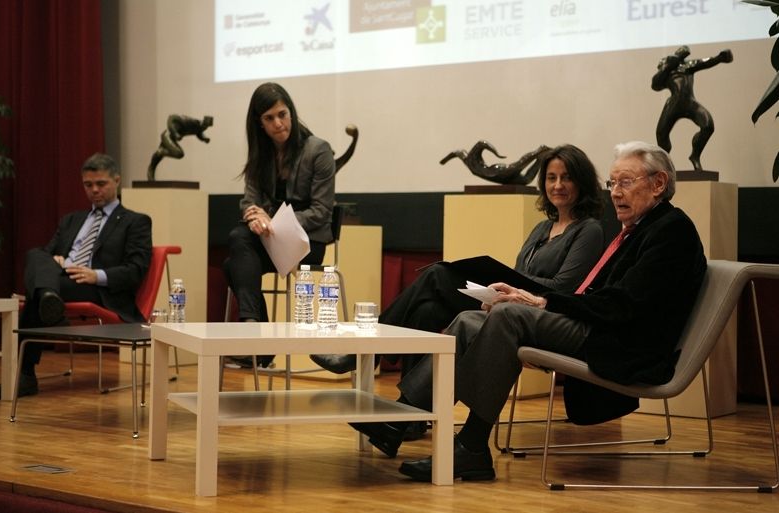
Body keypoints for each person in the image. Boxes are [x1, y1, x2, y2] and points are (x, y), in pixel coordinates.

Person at [380, 141, 706, 482]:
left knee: (508, 315)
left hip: (621, 342)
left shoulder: (671, 230)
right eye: (612, 184)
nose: (615, 193)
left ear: (658, 184)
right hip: (599, 326)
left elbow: (621, 305)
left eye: (625, 182)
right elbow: (602, 297)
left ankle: (471, 444)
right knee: (469, 318)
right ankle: (400, 417)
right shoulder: (640, 229)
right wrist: (530, 298)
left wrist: (541, 302)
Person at [313, 143, 605, 442]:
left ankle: (366, 353)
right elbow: (520, 272)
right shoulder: (542, 228)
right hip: (508, 303)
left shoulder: (588, 229)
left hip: (540, 315)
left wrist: (508, 283)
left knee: (438, 274)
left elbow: (562, 288)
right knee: (426, 310)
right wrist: (502, 285)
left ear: (581, 181)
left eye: (566, 177)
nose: (557, 185)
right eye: (551, 177)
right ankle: (409, 420)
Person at [0, 153, 153, 399]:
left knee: (37, 292)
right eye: (88, 185)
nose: (94, 190)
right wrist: (55, 260)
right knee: (36, 255)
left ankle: (25, 374)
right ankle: (48, 299)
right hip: (61, 280)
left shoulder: (135, 221)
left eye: (101, 184)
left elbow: (136, 269)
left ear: (117, 180)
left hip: (98, 289)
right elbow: (43, 255)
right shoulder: (71, 220)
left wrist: (96, 275)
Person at [223, 82, 335, 367]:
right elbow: (248, 200)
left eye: (282, 114)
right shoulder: (260, 155)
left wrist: (273, 221)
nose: (278, 123)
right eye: (269, 118)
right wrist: (254, 216)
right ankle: (252, 326)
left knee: (233, 263)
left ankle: (255, 340)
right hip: (271, 240)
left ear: (292, 113)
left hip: (307, 243)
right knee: (238, 237)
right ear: (259, 123)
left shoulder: (318, 150)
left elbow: (321, 212)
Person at [651, 45, 733, 171]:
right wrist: (667, 68)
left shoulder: (688, 65)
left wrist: (719, 58)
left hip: (689, 102)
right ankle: (665, 163)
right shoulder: (666, 71)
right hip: (674, 104)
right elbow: (655, 85)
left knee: (708, 126)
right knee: (661, 133)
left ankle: (695, 156)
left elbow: (704, 62)